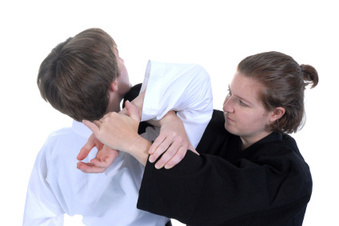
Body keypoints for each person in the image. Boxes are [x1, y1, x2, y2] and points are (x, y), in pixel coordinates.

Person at [79, 51, 318, 225]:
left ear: (276, 114)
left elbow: (213, 193)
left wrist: (131, 143)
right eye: (229, 93)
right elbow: (144, 93)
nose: (227, 106)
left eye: (242, 103)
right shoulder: (224, 128)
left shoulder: (289, 176)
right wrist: (169, 120)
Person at [23, 28, 213, 225]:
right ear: (113, 83)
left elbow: (37, 218)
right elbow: (197, 79)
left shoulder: (54, 149)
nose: (123, 62)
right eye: (119, 58)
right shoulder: (155, 136)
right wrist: (138, 112)